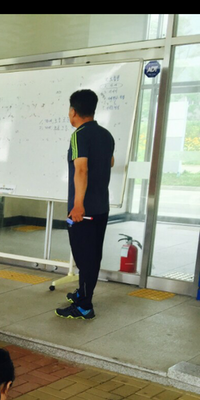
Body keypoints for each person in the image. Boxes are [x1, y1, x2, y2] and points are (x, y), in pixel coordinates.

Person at [55, 89, 115, 321]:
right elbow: (110, 162)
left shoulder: (79, 135)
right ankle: (82, 294)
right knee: (92, 255)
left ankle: (85, 306)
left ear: (73, 111)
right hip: (101, 207)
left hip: (84, 210)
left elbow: (81, 169)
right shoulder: (106, 135)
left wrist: (78, 204)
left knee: (84, 258)